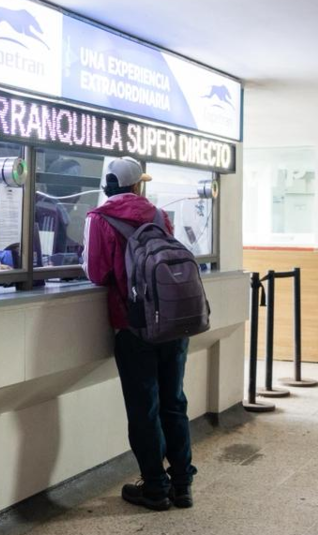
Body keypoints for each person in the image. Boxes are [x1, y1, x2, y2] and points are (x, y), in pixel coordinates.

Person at [83, 157, 196, 511]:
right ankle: (182, 484)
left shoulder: (99, 218)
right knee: (173, 401)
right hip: (172, 322)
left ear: (108, 185)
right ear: (136, 186)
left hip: (133, 325)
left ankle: (155, 488)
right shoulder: (160, 215)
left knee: (144, 408)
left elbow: (97, 273)